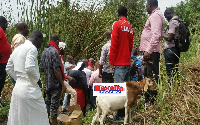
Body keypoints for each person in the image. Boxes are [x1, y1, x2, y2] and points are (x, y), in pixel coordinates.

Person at [6, 30, 49, 125]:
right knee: (39, 118)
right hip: (30, 89)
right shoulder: (32, 48)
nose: (41, 45)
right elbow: (29, 68)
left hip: (18, 88)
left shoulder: (18, 48)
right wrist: (37, 80)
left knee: (21, 119)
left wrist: (20, 79)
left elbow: (9, 68)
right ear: (37, 38)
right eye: (41, 41)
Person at [41, 34, 77, 125]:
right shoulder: (55, 51)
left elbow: (42, 68)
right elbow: (57, 69)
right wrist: (62, 83)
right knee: (54, 106)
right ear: (56, 41)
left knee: (48, 104)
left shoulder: (44, 51)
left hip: (48, 83)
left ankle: (46, 122)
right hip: (55, 83)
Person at [109, 6, 134, 120]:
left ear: (118, 14)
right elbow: (130, 47)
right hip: (127, 63)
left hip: (119, 64)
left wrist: (111, 61)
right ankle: (126, 113)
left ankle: (119, 115)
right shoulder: (130, 28)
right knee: (126, 91)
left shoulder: (117, 25)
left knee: (119, 91)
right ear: (126, 15)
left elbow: (113, 44)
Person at [139, 0, 164, 104]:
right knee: (148, 76)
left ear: (149, 5)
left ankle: (151, 102)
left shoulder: (155, 16)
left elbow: (156, 35)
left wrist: (148, 50)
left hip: (152, 52)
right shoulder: (154, 16)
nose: (146, 8)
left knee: (151, 77)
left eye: (146, 5)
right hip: (150, 52)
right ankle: (148, 100)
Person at [163, 8, 180, 82]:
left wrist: (162, 34)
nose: (166, 18)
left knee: (170, 72)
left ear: (169, 14)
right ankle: (176, 90)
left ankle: (171, 91)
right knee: (175, 71)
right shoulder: (178, 21)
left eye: (166, 16)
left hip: (170, 50)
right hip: (176, 49)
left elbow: (169, 38)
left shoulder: (172, 22)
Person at [0, 16, 11, 98]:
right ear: (4, 23)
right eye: (6, 25)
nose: (6, 26)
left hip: (3, 61)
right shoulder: (0, 30)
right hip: (1, 62)